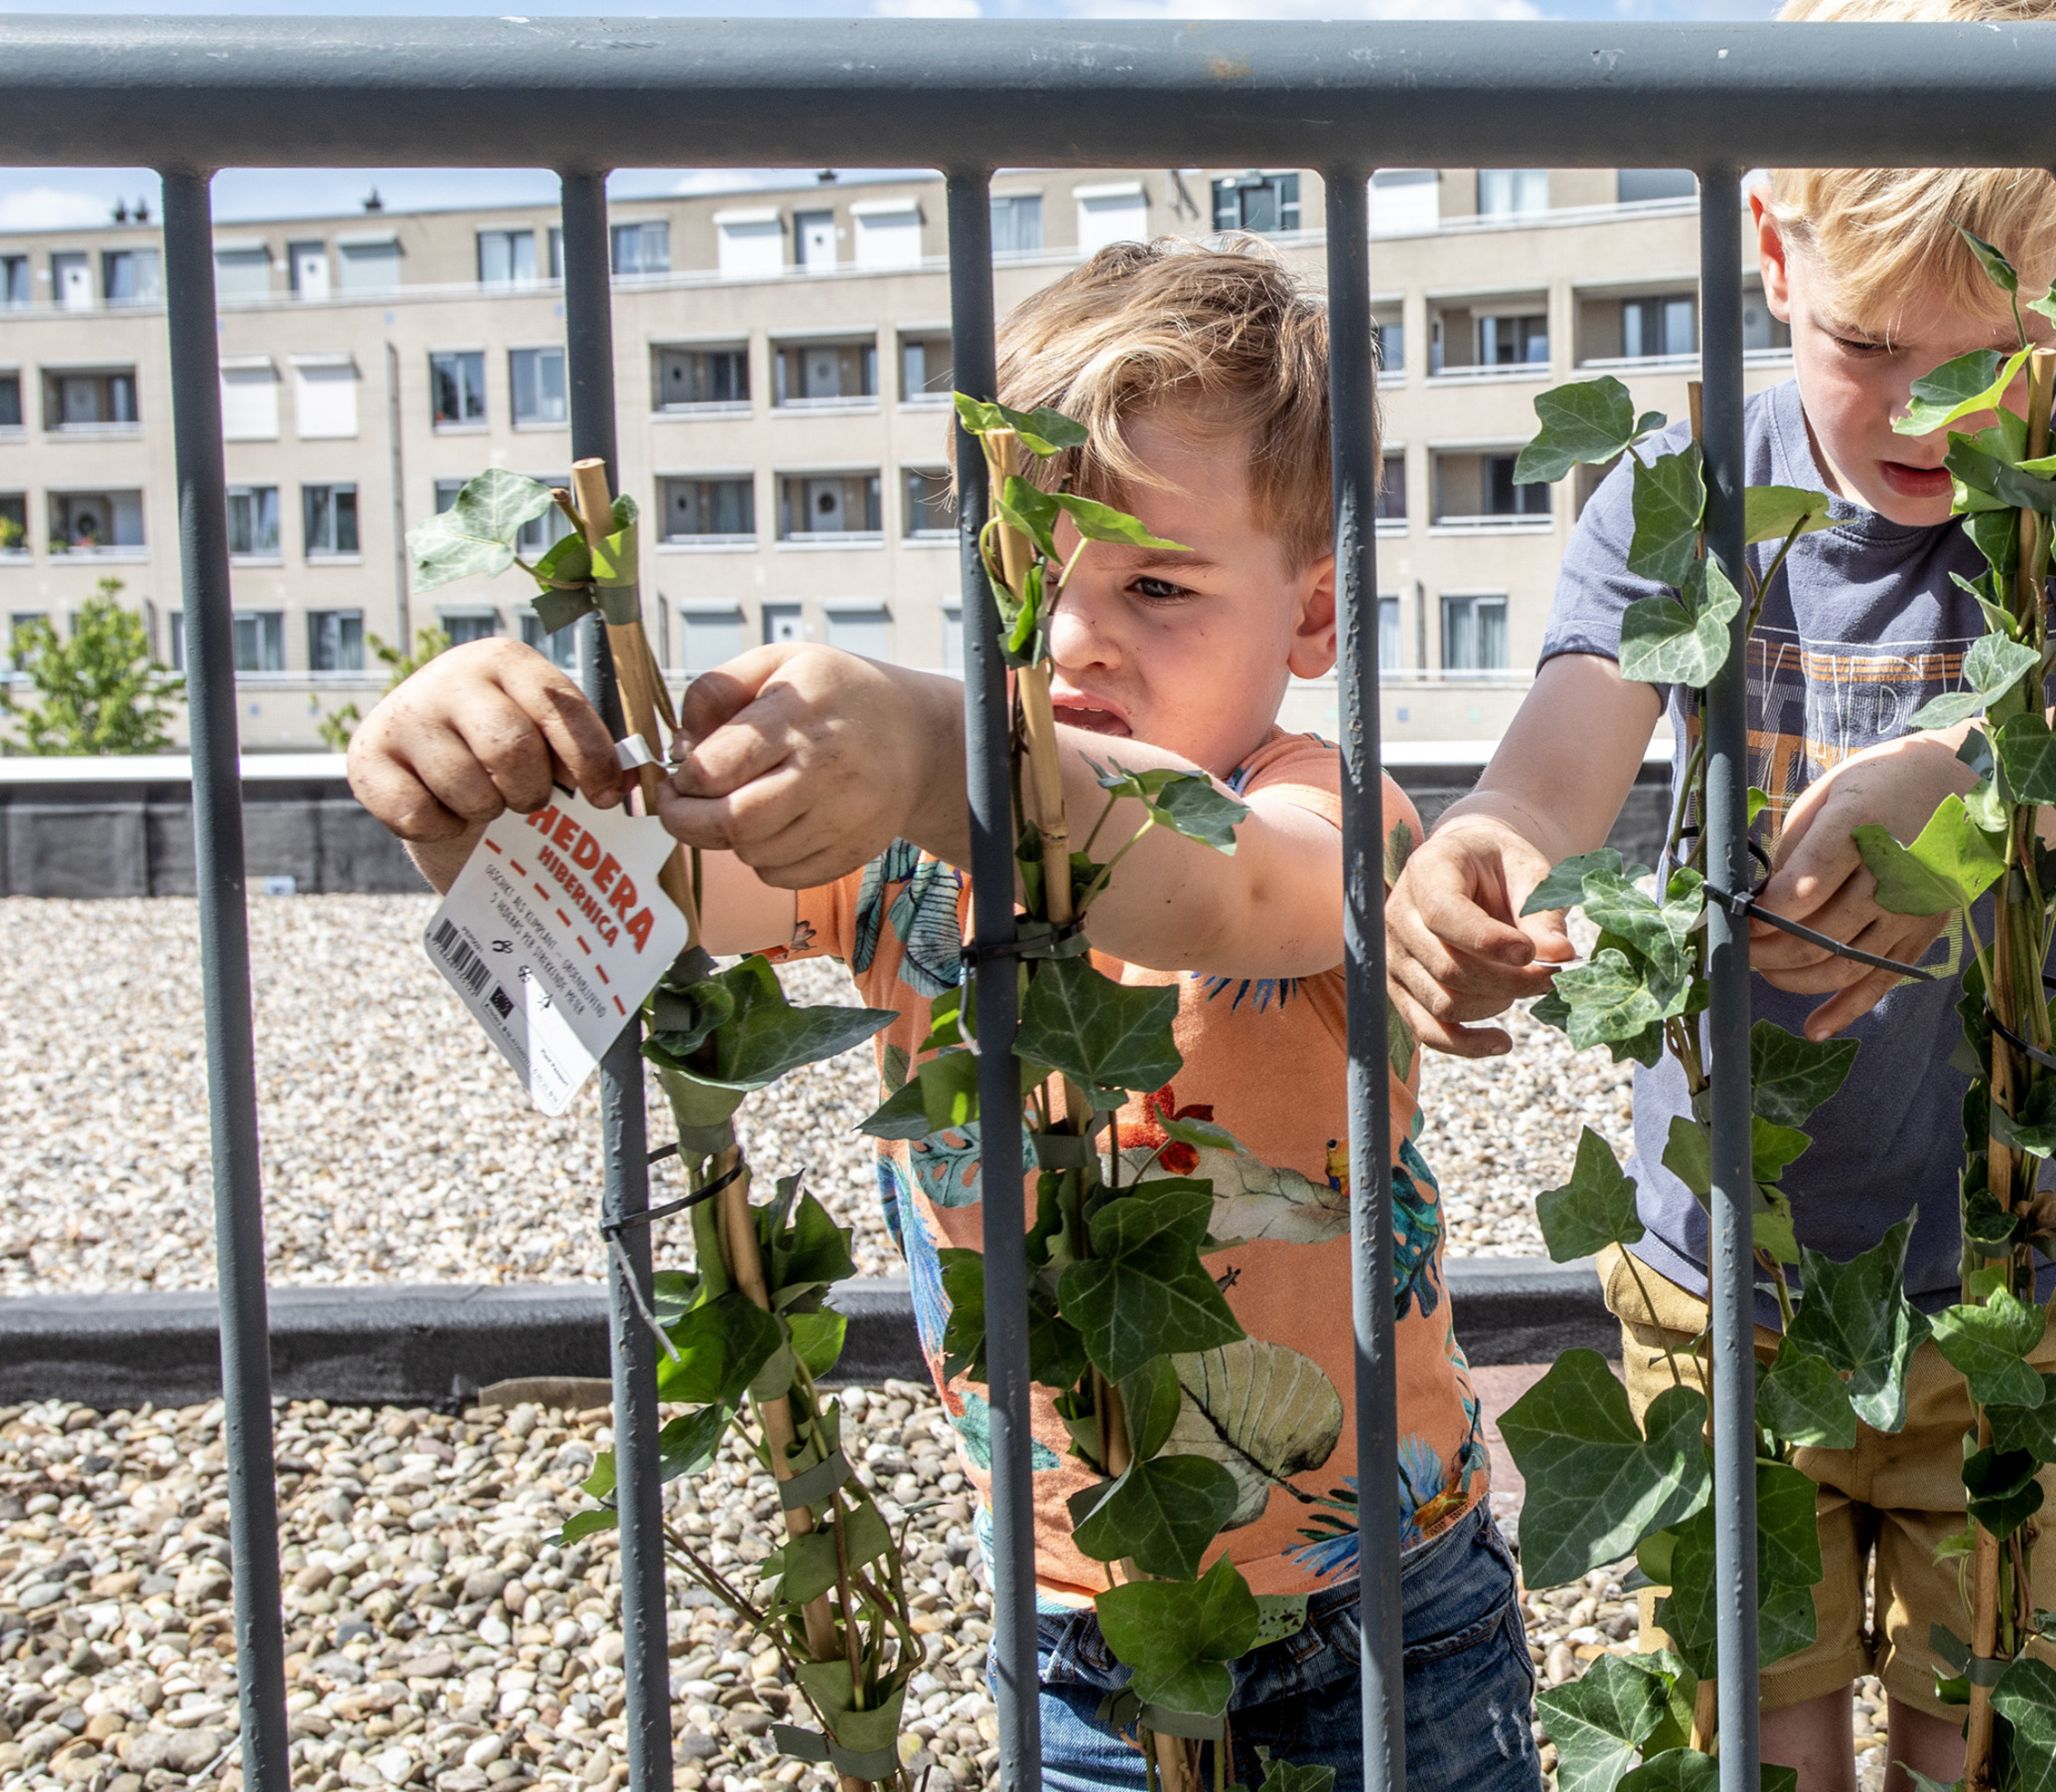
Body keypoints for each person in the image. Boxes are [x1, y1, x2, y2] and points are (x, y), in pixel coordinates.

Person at [344, 243, 1530, 1792]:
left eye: (1157, 584)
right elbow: (645, 912)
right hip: (1076, 1612)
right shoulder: (901, 841)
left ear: (1314, 615)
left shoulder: (1318, 807)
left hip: (1383, 1601)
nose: (1081, 637)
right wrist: (455, 779)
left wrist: (945, 754)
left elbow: (1226, 898)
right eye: (1034, 577)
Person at [1381, 0, 2056, 1792]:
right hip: (1720, 1278)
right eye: (1870, 344)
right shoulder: (1678, 490)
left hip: (2012, 1276)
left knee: (1972, 1738)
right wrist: (1481, 859)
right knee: (1761, 1734)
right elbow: (1555, 765)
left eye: (1990, 351)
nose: (1933, 410)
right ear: (1772, 246)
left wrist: (1969, 766)